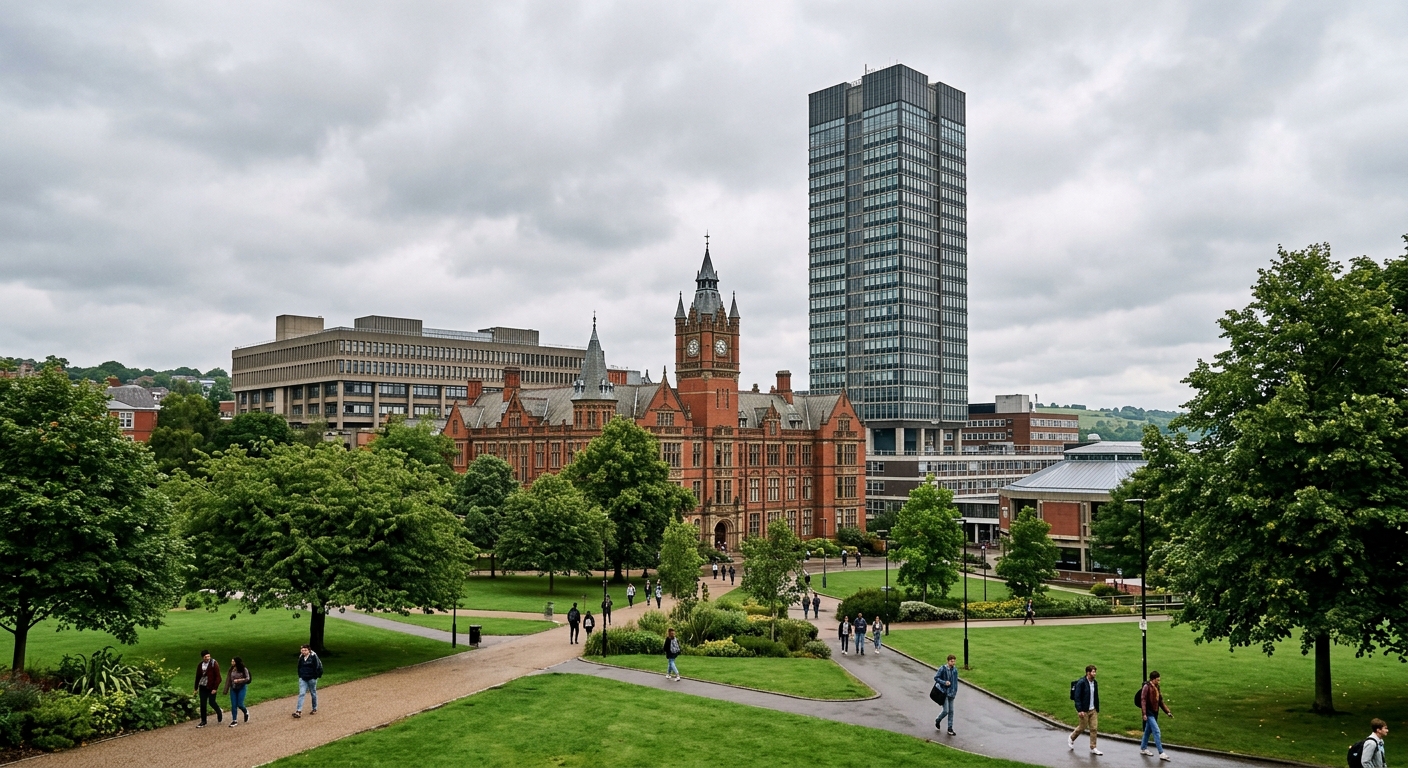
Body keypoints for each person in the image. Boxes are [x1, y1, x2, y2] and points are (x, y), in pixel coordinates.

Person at [1139, 670, 1173, 760]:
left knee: (1147, 731)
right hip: (1149, 712)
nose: (1159, 682)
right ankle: (1161, 752)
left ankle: (1143, 748)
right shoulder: (1146, 687)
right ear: (1152, 679)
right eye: (1157, 680)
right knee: (1156, 731)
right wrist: (1144, 713)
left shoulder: (1157, 687)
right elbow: (1143, 700)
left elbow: (1160, 701)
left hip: (1155, 712)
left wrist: (1167, 712)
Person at [1068, 664, 1101, 754]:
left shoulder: (1095, 683)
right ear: (1088, 673)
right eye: (1093, 672)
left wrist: (1097, 707)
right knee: (1082, 727)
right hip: (1084, 709)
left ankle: (1093, 747)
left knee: (1094, 728)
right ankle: (1071, 738)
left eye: (1095, 672)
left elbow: (1096, 696)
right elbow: (1077, 697)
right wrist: (1080, 710)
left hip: (1093, 709)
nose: (1095, 673)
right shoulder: (1081, 683)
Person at [194, 649, 223, 727]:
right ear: (203, 657)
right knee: (202, 704)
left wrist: (215, 688)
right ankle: (203, 721)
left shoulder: (214, 664)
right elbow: (197, 677)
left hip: (211, 686)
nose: (208, 658)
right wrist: (195, 688)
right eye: (206, 657)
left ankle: (219, 711)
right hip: (202, 686)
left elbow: (218, 678)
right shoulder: (200, 665)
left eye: (209, 656)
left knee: (211, 702)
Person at [293, 644, 322, 718]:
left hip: (312, 678)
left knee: (313, 693)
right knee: (302, 693)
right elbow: (299, 667)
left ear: (309, 650)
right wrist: (300, 675)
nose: (303, 652)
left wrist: (315, 676)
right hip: (303, 678)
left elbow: (317, 666)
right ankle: (298, 711)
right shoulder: (301, 657)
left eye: (305, 650)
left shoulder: (313, 657)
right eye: (302, 650)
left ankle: (314, 708)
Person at [935, 654, 959, 735]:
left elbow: (955, 681)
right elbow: (936, 678)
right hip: (944, 692)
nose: (953, 663)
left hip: (952, 693)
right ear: (948, 661)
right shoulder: (943, 669)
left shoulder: (955, 670)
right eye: (952, 661)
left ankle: (950, 728)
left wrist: (955, 690)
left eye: (954, 661)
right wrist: (944, 682)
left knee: (951, 711)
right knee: (946, 711)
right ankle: (938, 720)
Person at [224, 656, 251, 726]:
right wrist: (226, 689)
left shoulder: (244, 669)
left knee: (240, 704)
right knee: (233, 705)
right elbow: (228, 679)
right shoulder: (231, 669)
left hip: (241, 687)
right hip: (233, 688)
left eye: (233, 661)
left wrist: (239, 680)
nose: (231, 663)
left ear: (237, 662)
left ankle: (246, 712)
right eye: (231, 661)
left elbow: (248, 678)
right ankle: (234, 720)